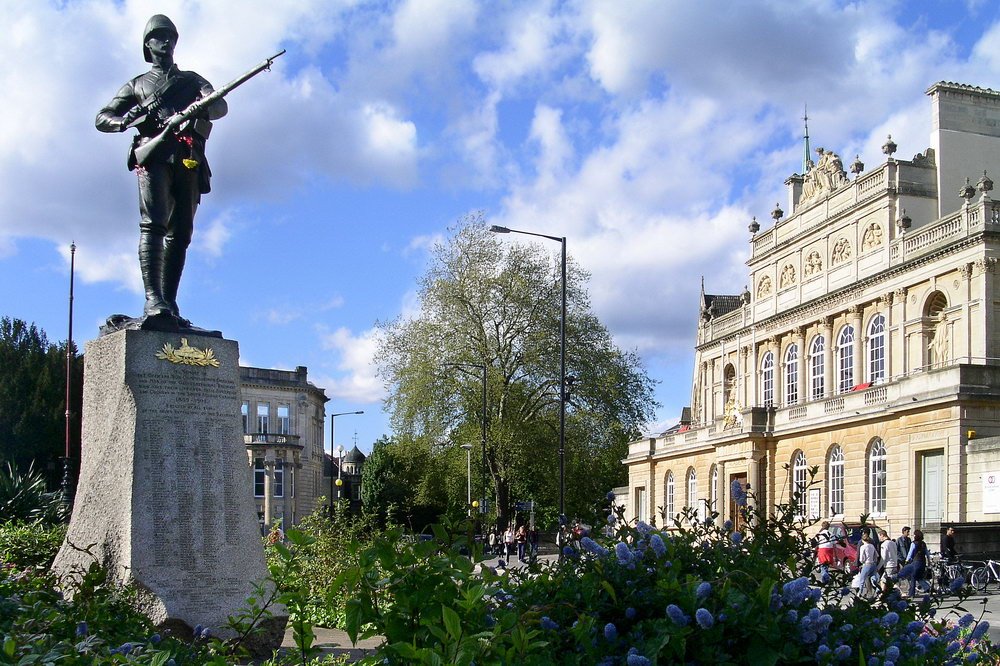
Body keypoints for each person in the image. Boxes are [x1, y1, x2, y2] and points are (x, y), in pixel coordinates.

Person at [96, 15, 227, 327]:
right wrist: (124, 122)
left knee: (181, 233)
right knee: (153, 225)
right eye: (158, 36)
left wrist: (203, 107)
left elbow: (219, 105)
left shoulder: (192, 80)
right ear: (147, 44)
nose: (166, 42)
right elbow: (103, 117)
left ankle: (169, 301)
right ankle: (153, 299)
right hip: (153, 156)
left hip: (189, 157)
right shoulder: (137, 85)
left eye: (170, 36)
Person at [904, 529, 929, 597]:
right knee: (919, 577)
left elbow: (910, 553)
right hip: (923, 562)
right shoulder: (923, 543)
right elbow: (927, 553)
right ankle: (927, 587)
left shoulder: (913, 543)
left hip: (916, 562)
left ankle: (911, 593)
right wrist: (929, 561)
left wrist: (906, 561)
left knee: (913, 577)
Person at [856, 533, 878, 599]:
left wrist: (862, 562)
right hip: (873, 564)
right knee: (873, 578)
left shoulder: (862, 547)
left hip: (866, 564)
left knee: (862, 579)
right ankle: (878, 591)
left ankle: (859, 593)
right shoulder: (872, 546)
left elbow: (861, 558)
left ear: (862, 540)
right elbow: (876, 555)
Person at [878, 528, 899, 593]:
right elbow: (896, 553)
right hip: (894, 564)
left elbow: (883, 557)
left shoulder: (884, 545)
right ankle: (882, 595)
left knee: (887, 581)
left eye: (879, 536)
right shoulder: (893, 543)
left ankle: (901, 592)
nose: (879, 538)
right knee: (885, 581)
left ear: (882, 535)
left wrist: (878, 567)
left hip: (888, 566)